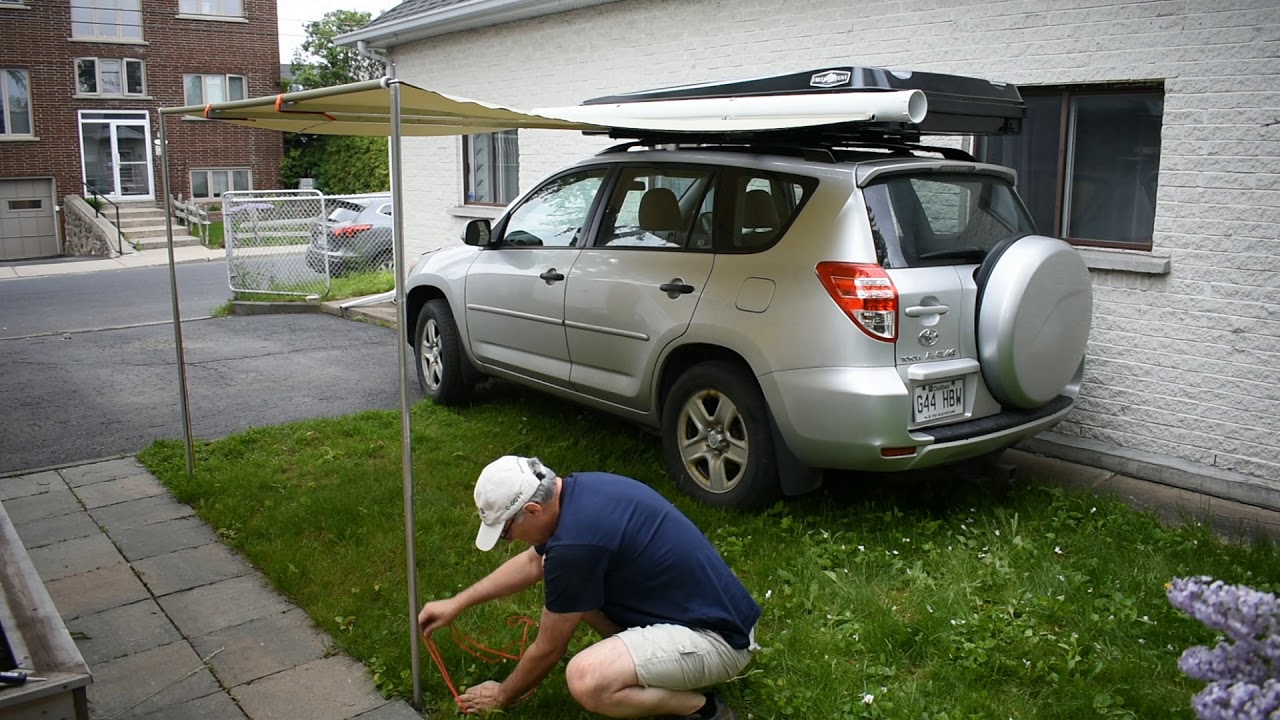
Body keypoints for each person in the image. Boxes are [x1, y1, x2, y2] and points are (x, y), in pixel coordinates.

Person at [418, 455, 761, 720]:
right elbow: (534, 562)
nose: (510, 541)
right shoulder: (578, 492)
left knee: (586, 679)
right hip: (710, 615)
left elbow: (549, 648)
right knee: (562, 580)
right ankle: (650, 668)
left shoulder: (575, 548)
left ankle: (701, 708)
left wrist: (502, 695)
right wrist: (458, 602)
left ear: (533, 510)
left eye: (506, 533)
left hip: (720, 640)